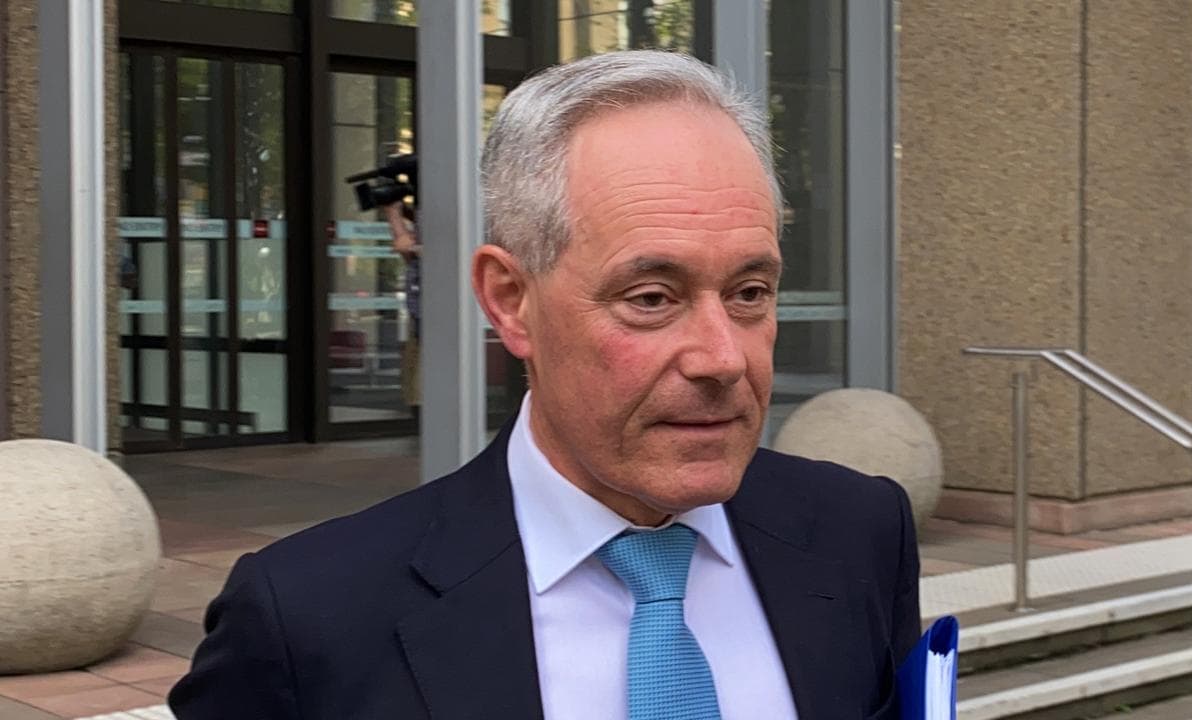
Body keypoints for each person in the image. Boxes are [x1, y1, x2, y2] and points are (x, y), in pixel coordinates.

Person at [169, 50, 920, 720]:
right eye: (651, 298)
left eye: (750, 292)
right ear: (510, 300)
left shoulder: (861, 533)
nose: (723, 358)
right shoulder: (308, 618)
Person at [386, 200, 422, 411]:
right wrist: (394, 216)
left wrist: (413, 247)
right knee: (414, 393)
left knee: (424, 392)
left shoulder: (462, 201)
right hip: (419, 317)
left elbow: (455, 253)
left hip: (441, 321)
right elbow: (412, 258)